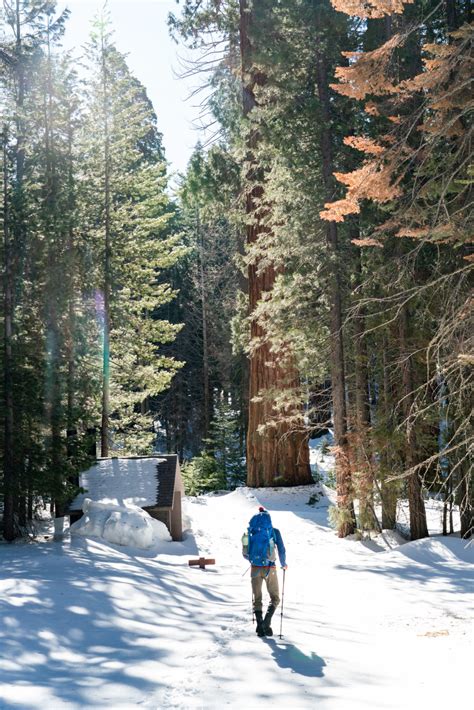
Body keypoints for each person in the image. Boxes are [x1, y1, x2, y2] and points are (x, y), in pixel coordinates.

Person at [242, 506, 287, 637]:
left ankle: (259, 625)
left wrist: (254, 560)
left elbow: (245, 554)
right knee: (275, 597)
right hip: (270, 568)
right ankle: (266, 623)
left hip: (255, 568)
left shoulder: (251, 532)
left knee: (257, 598)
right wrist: (283, 564)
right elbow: (282, 550)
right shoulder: (274, 531)